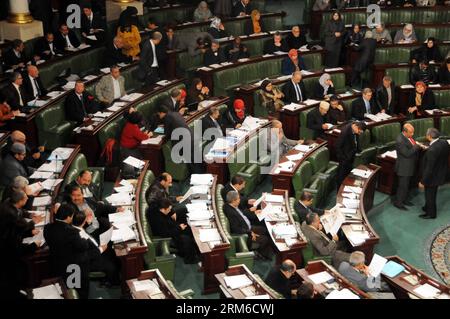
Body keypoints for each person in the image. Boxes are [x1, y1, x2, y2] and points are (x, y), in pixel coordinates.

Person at [0, 190, 42, 299]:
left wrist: (30, 231)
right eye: (25, 198)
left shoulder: (8, 202)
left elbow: (20, 213)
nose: (28, 199)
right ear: (20, 201)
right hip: (7, 252)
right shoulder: (12, 215)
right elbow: (15, 245)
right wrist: (34, 245)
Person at [44, 203, 91, 299]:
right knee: (77, 291)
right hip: (72, 267)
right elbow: (83, 246)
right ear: (69, 217)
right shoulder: (72, 232)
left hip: (55, 264)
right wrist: (84, 239)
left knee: (65, 290)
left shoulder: (48, 228)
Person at [71, 209, 120, 286]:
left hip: (95, 248)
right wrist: (100, 249)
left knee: (113, 251)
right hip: (91, 260)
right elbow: (85, 255)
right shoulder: (78, 237)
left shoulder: (77, 228)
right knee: (111, 266)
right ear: (84, 221)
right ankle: (112, 282)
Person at [224, 191, 273, 260]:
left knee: (264, 229)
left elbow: (242, 214)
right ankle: (262, 255)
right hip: (246, 232)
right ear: (233, 200)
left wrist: (251, 211)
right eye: (238, 199)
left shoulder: (230, 205)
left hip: (247, 226)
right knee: (265, 239)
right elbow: (236, 229)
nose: (239, 200)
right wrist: (249, 232)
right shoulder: (231, 213)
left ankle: (269, 250)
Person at [148, 198, 199, 263]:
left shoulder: (157, 206)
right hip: (165, 235)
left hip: (167, 224)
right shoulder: (158, 221)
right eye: (169, 210)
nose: (170, 210)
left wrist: (172, 212)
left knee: (183, 216)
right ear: (162, 209)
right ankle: (190, 259)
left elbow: (158, 201)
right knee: (186, 239)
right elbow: (166, 233)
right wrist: (179, 228)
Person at [419, 128, 449, 219]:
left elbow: (429, 168)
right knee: (431, 194)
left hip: (432, 177)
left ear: (429, 136)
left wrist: (423, 182)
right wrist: (429, 148)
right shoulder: (444, 142)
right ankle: (427, 207)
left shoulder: (432, 150)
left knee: (430, 195)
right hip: (441, 172)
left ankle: (431, 214)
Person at [393, 123, 422, 210]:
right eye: (411, 132)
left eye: (413, 132)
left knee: (407, 185)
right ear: (404, 132)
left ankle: (404, 200)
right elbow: (407, 153)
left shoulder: (407, 137)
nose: (412, 134)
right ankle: (398, 203)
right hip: (404, 168)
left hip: (409, 166)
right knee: (403, 186)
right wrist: (417, 146)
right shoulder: (400, 140)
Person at [335, 121, 365, 188]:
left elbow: (355, 141)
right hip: (344, 159)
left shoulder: (354, 128)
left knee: (348, 176)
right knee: (341, 177)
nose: (359, 134)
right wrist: (343, 158)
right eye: (359, 132)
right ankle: (339, 192)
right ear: (356, 127)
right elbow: (337, 146)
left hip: (350, 156)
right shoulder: (345, 132)